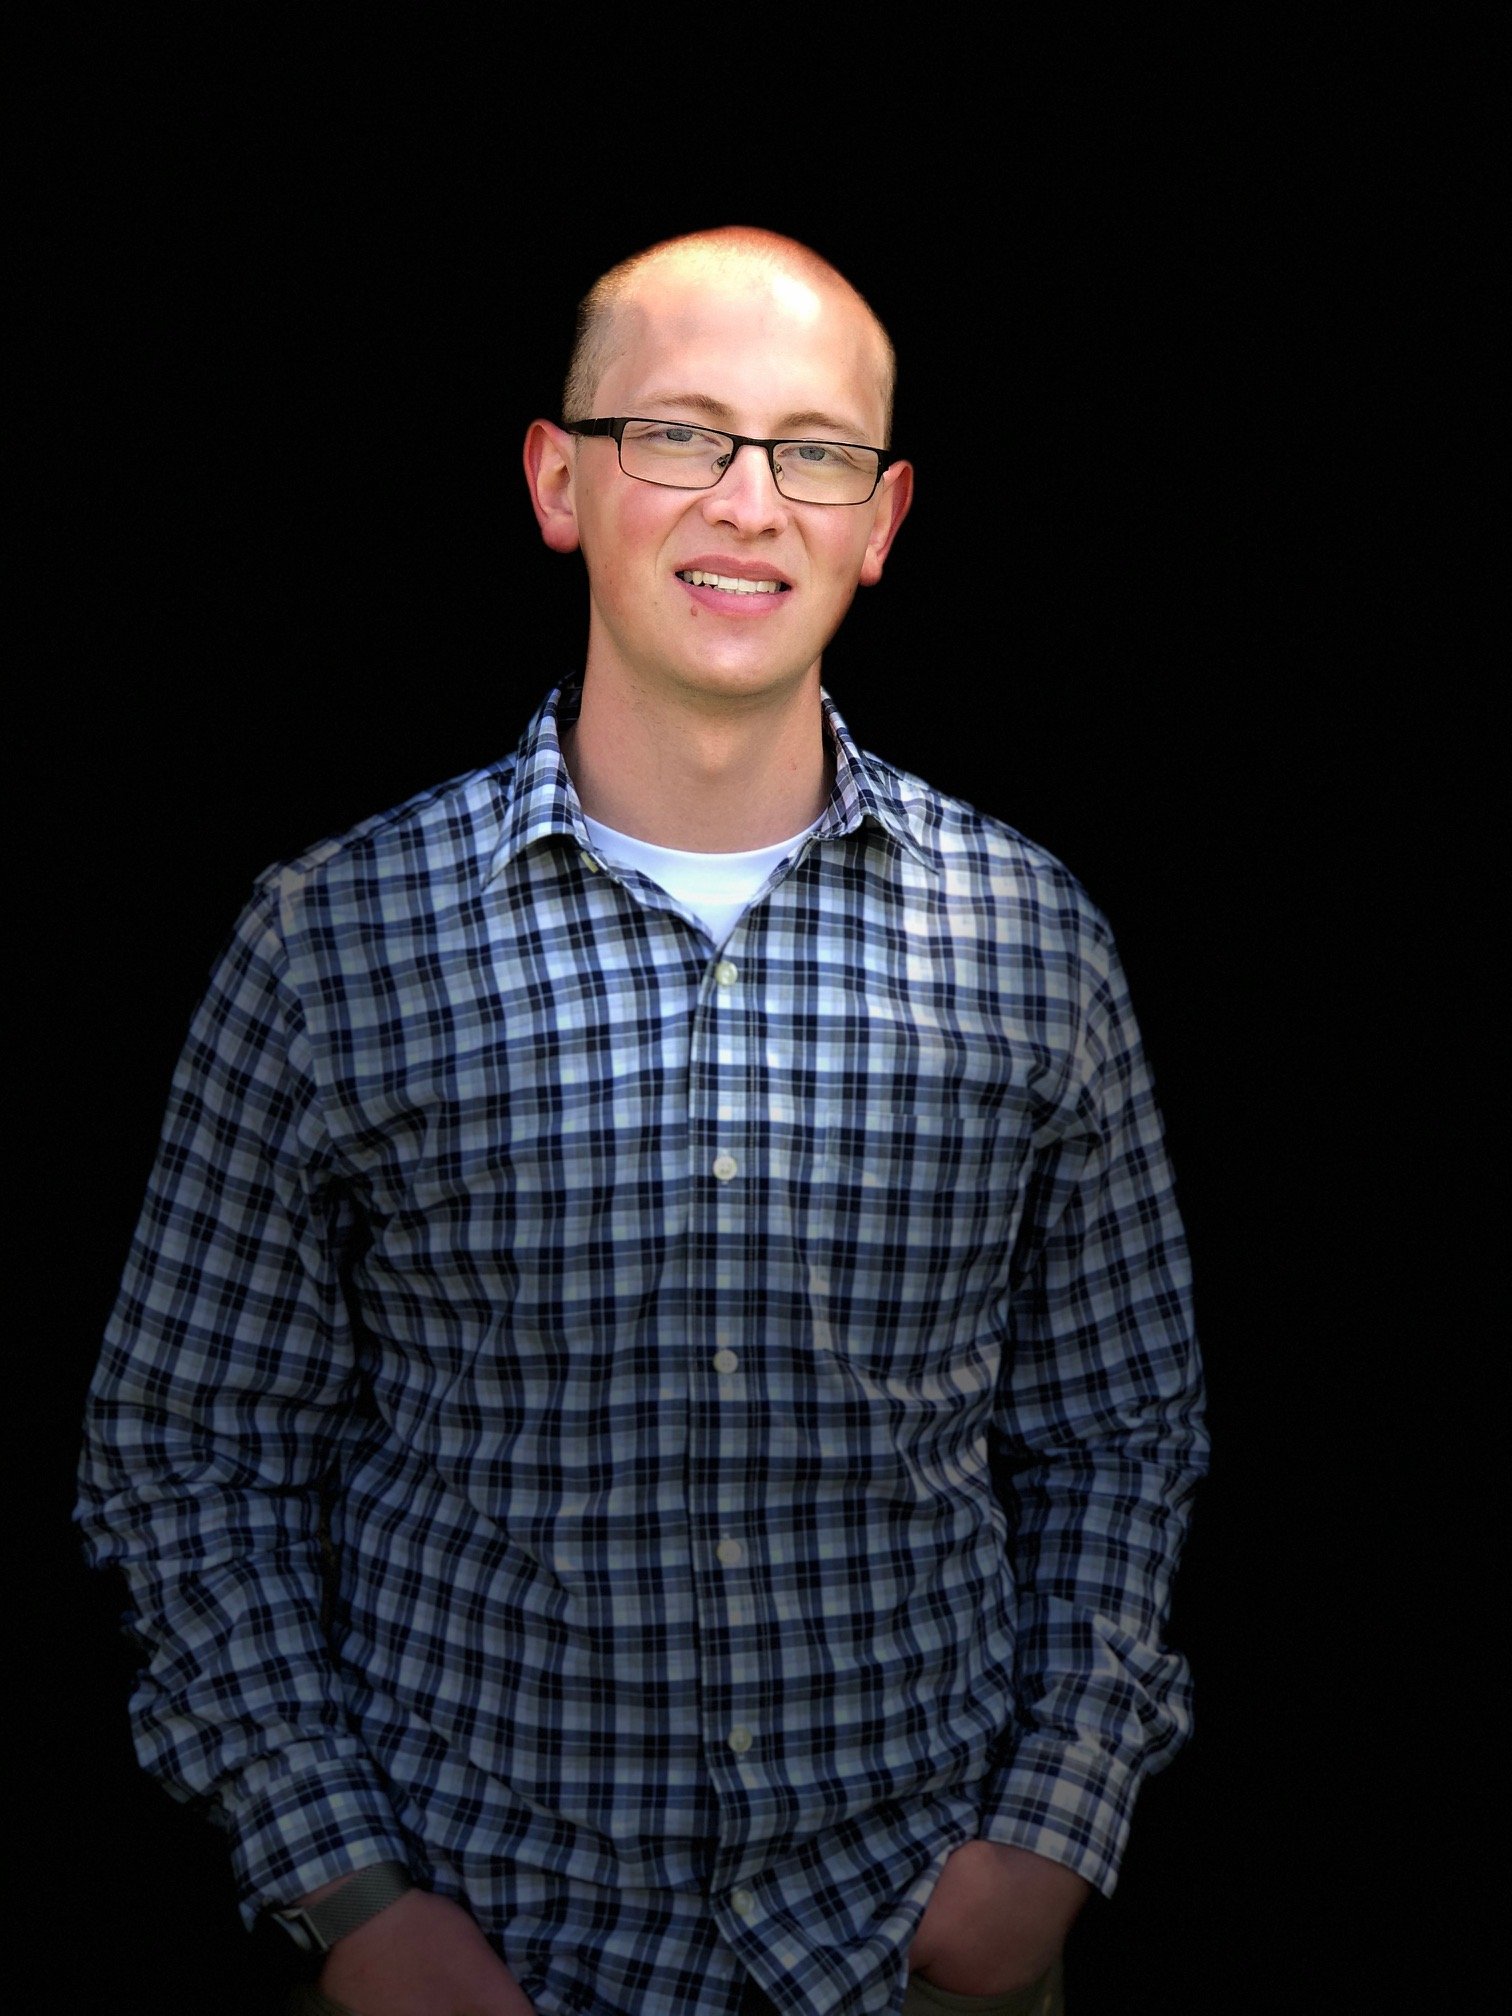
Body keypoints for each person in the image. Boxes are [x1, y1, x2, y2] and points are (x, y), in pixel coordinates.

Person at [76, 225, 1208, 2016]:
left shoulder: (1031, 940)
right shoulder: (334, 942)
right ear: (559, 479)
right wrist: (350, 1895)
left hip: (913, 1954)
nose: (750, 502)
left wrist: (1052, 1839)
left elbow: (1119, 1433)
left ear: (883, 519)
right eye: (680, 434)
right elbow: (188, 1454)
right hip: (485, 1948)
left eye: (813, 450)